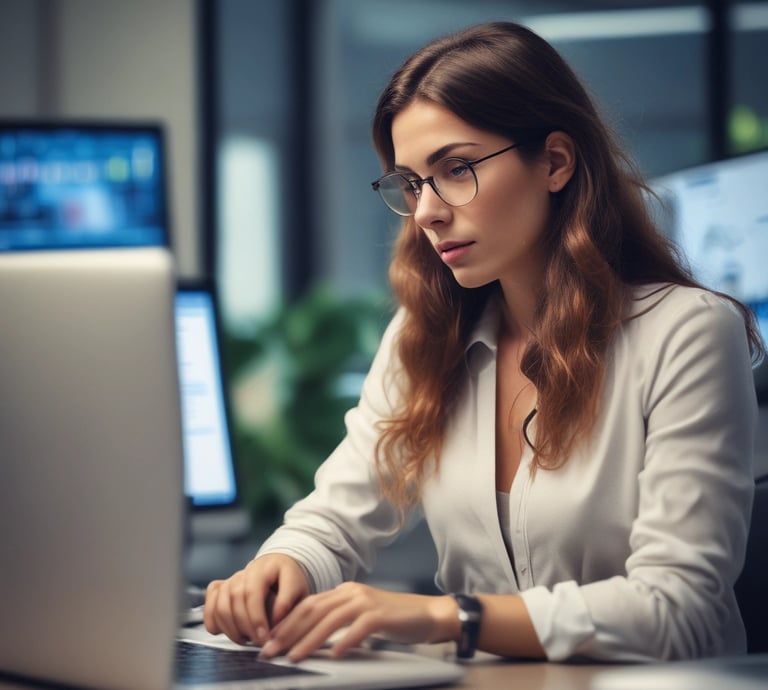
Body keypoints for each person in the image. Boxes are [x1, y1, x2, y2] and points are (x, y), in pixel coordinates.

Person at [203, 21, 764, 663]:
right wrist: (280, 566)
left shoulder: (686, 333)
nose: (426, 211)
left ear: (555, 161)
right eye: (412, 182)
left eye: (457, 169)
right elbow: (336, 515)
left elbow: (679, 611)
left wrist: (451, 618)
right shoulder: (426, 335)